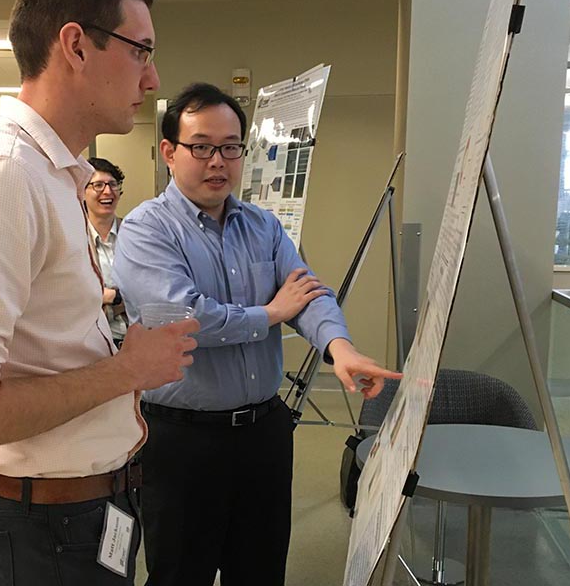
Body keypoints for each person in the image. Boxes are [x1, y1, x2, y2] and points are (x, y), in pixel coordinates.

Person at [0, 0, 199, 586]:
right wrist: (127, 370)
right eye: (140, 51)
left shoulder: (53, 172)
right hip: (49, 529)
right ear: (76, 45)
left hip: (84, 511)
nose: (152, 80)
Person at [113, 83, 401, 586]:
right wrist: (269, 313)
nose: (217, 161)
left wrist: (340, 348)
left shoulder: (263, 226)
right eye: (201, 146)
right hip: (182, 440)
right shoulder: (146, 230)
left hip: (264, 435)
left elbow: (307, 293)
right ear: (169, 152)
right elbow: (185, 318)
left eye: (230, 147)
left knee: (261, 569)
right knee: (183, 571)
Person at [85, 157, 128, 348]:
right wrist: (116, 297)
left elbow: (147, 288)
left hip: (134, 338)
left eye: (113, 184)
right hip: (91, 343)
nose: (108, 191)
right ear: (82, 192)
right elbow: (70, 294)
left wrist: (106, 298)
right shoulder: (72, 237)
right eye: (98, 185)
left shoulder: (135, 234)